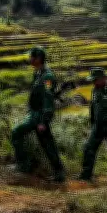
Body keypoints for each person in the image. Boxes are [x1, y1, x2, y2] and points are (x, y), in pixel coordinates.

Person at [10, 46, 66, 183]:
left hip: (39, 116)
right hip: (34, 113)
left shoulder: (47, 77)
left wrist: (43, 121)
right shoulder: (38, 73)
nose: (30, 59)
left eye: (32, 57)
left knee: (16, 132)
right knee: (47, 143)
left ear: (38, 58)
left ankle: (24, 165)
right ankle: (59, 172)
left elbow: (48, 100)